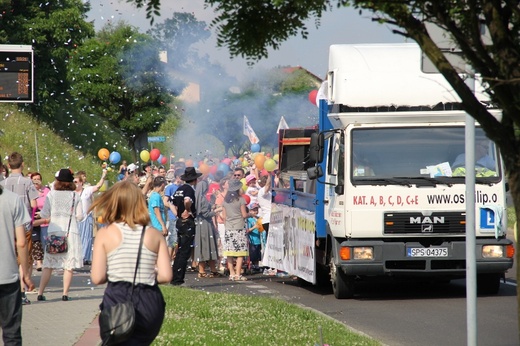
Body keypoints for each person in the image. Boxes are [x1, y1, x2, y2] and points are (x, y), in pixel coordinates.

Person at [90, 181, 172, 345]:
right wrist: (149, 273)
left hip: (118, 297)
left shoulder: (105, 233)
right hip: (149, 300)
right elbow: (166, 276)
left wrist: (117, 271)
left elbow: (97, 277)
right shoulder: (154, 235)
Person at [0, 158, 34, 345]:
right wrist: (26, 275)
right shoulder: (12, 200)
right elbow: (21, 242)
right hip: (8, 275)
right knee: (11, 333)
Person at [37, 169, 83, 302]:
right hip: (70, 232)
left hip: (54, 231)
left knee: (48, 264)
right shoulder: (75, 196)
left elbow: (45, 214)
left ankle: (40, 293)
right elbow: (80, 216)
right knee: (68, 265)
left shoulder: (51, 195)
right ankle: (65, 294)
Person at [0, 152, 39, 305]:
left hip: (6, 225)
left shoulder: (4, 183)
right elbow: (34, 204)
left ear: (8, 166)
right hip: (24, 225)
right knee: (23, 259)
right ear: (22, 165)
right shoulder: (27, 182)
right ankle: (22, 291)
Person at [170, 167, 201, 285]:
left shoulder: (179, 189)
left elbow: (170, 202)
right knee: (185, 251)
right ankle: (178, 279)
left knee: (179, 250)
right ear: (195, 179)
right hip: (188, 221)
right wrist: (187, 210)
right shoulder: (189, 190)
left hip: (179, 221)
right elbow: (187, 201)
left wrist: (177, 213)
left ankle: (175, 277)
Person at [75, 168, 107, 266]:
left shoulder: (87, 190)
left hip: (86, 217)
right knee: (77, 238)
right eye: (74, 182)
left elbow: (98, 186)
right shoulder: (72, 193)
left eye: (76, 182)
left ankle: (85, 257)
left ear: (81, 183)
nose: (75, 184)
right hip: (76, 218)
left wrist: (103, 175)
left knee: (87, 237)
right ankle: (77, 257)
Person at [193, 179, 222, 278]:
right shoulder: (202, 199)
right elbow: (206, 213)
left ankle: (204, 270)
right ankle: (208, 270)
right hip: (205, 225)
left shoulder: (198, 198)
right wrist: (218, 210)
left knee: (202, 246)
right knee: (208, 245)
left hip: (199, 224)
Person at [221, 178, 249, 281]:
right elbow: (244, 214)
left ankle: (231, 273)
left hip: (229, 228)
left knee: (230, 252)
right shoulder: (241, 200)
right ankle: (238, 273)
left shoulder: (225, 201)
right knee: (240, 252)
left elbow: (224, 217)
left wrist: (227, 224)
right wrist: (251, 214)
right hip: (239, 227)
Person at [30, 172, 50, 272]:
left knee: (45, 241)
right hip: (34, 220)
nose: (36, 181)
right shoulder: (30, 191)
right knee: (36, 241)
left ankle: (47, 261)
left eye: (38, 179)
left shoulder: (46, 191)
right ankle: (39, 261)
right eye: (34, 179)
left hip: (45, 219)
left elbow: (50, 204)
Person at [246, 203, 266, 273]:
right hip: (252, 240)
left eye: (256, 210)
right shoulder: (249, 219)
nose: (256, 212)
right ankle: (252, 265)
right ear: (250, 211)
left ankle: (256, 265)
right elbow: (247, 230)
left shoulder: (258, 218)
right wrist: (254, 227)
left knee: (258, 253)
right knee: (253, 254)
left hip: (258, 240)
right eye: (254, 210)